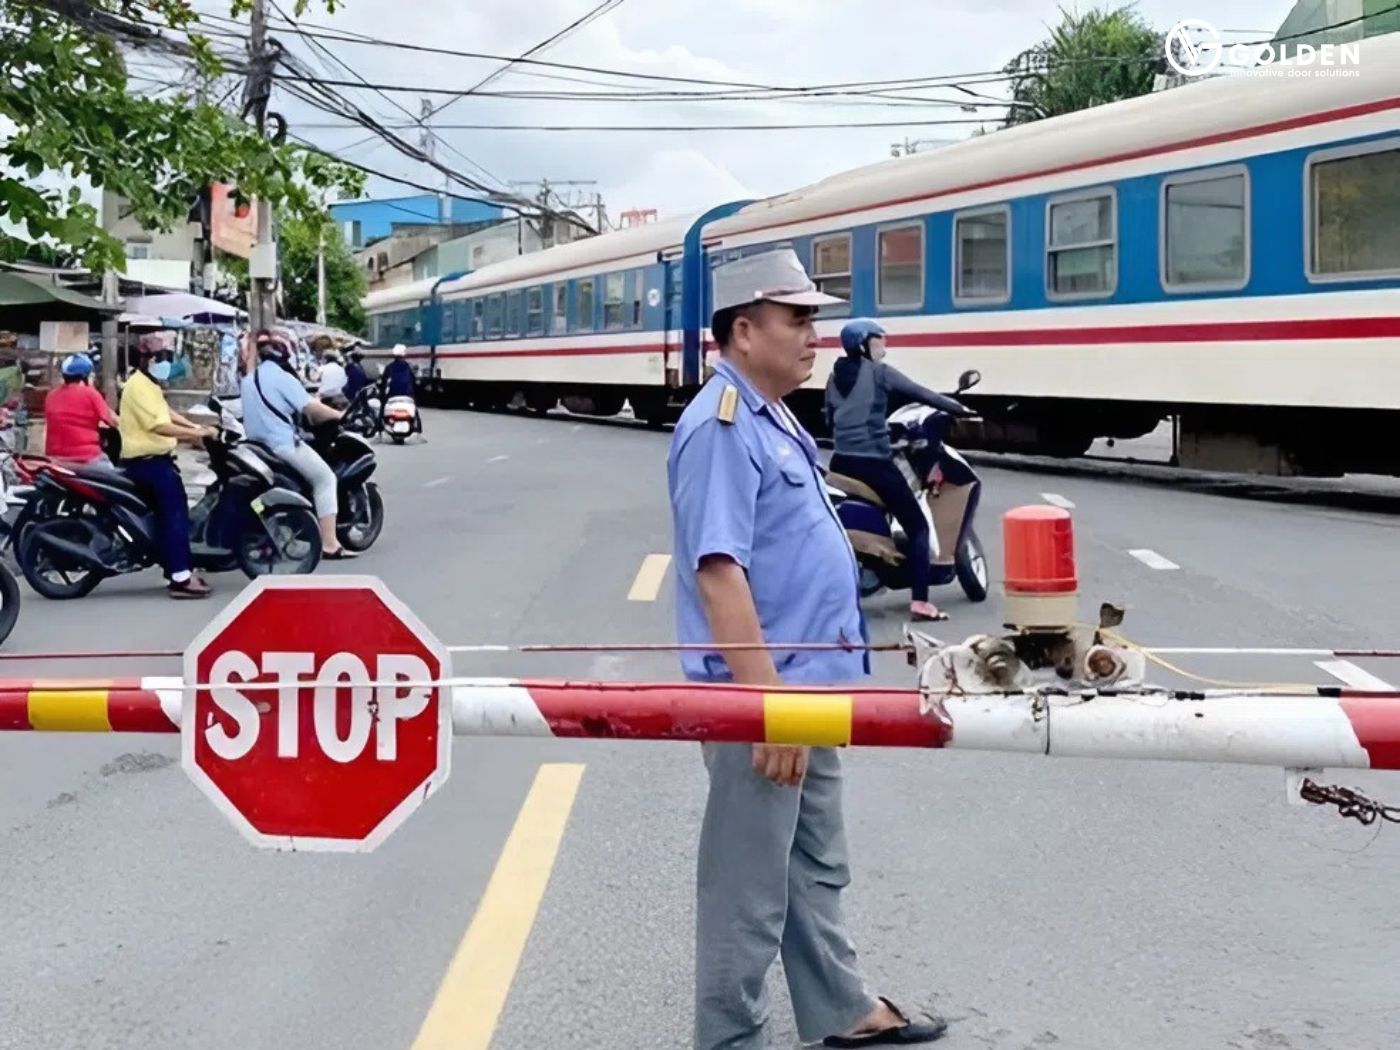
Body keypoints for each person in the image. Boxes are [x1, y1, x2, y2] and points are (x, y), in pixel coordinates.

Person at [668, 248, 948, 1050]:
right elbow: (720, 575)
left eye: (815, 321)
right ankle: (728, 1040)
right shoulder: (720, 426)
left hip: (812, 690)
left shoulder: (772, 413)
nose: (813, 336)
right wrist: (769, 711)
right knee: (747, 890)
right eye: (797, 320)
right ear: (744, 330)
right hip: (771, 695)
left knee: (814, 863)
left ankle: (841, 1008)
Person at [824, 319, 974, 623]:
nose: (884, 346)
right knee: (918, 527)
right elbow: (921, 394)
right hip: (873, 464)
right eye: (879, 340)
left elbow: (830, 418)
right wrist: (960, 409)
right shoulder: (879, 372)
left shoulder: (833, 377)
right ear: (865, 344)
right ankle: (921, 601)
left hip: (840, 461)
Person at [240, 331, 358, 560]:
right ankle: (330, 544)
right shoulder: (282, 378)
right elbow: (311, 408)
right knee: (325, 479)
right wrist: (340, 415)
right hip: (281, 445)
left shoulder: (248, 380)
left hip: (256, 447)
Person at [118, 337, 216, 598]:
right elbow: (158, 425)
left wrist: (196, 427)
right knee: (174, 516)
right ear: (147, 360)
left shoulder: (149, 385)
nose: (165, 364)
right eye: (160, 358)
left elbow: (166, 413)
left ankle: (173, 566)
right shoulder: (138, 386)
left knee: (169, 516)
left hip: (155, 461)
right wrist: (194, 435)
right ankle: (181, 578)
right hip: (148, 464)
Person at [43, 353, 117, 464]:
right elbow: (112, 421)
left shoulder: (51, 396)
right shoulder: (90, 393)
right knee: (118, 478)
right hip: (87, 457)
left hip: (55, 458)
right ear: (86, 376)